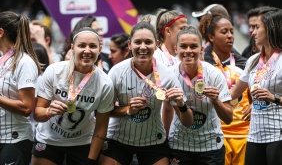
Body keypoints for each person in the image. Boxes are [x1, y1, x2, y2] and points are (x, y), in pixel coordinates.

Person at [99, 21, 193, 165]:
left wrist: (181, 104)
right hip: (118, 138)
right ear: (130, 45)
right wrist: (128, 110)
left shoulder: (167, 75)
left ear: (156, 44)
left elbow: (188, 122)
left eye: (148, 42)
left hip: (153, 140)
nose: (143, 47)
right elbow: (105, 112)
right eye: (138, 42)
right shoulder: (117, 72)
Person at [31, 27, 114, 165]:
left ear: (99, 49)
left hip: (82, 142)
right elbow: (38, 114)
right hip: (49, 139)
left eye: (92, 46)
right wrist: (48, 111)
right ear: (72, 48)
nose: (87, 51)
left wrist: (91, 160)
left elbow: (101, 126)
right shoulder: (54, 71)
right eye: (82, 45)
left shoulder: (105, 83)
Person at [167, 26, 233, 165]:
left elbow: (228, 118)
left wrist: (216, 101)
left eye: (193, 46)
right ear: (175, 49)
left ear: (202, 49)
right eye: (183, 46)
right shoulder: (169, 75)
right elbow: (168, 111)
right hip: (179, 145)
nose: (188, 51)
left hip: (211, 146)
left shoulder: (214, 74)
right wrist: (166, 140)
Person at [198, 13, 251, 165]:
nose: (230, 36)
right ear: (211, 37)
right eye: (224, 32)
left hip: (244, 136)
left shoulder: (245, 64)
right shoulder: (203, 68)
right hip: (217, 136)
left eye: (232, 32)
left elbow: (256, 94)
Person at [231, 7, 282, 165]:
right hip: (254, 135)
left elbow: (273, 97)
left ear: (271, 29)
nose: (252, 32)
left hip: (278, 134)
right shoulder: (253, 60)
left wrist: (274, 98)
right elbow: (232, 93)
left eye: (257, 27)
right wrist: (208, 93)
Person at [0, 11, 41, 165]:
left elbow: (26, 107)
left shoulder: (24, 62)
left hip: (15, 139)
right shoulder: (1, 59)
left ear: (0, 32)